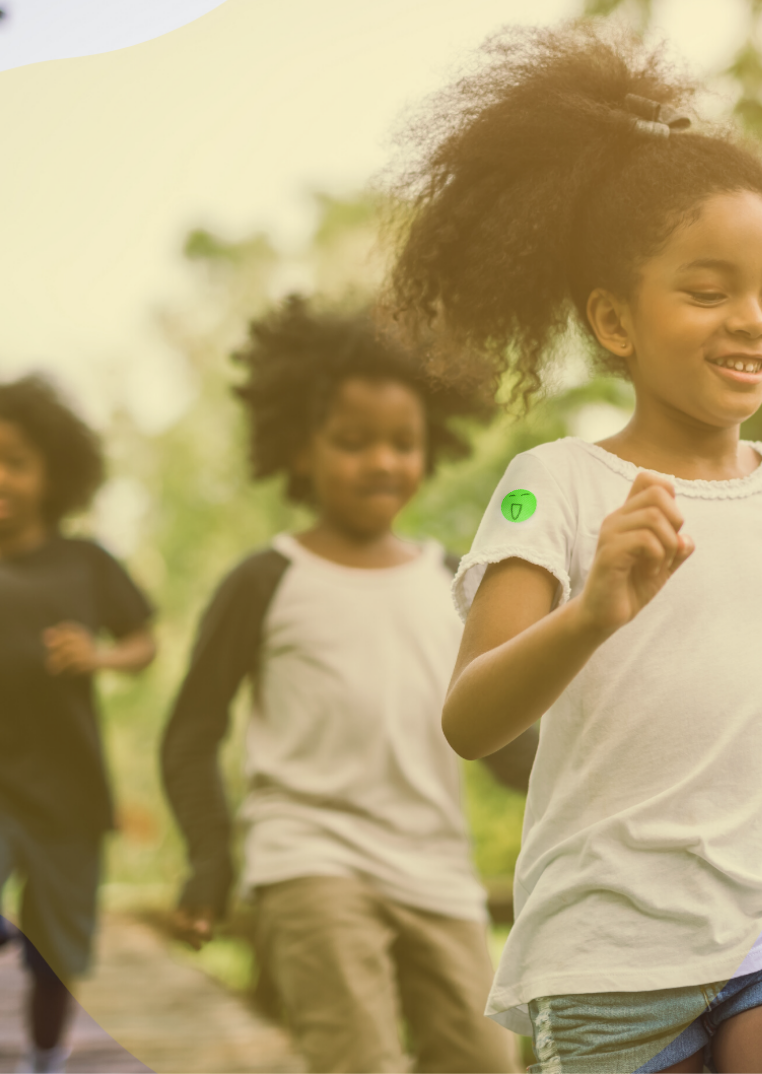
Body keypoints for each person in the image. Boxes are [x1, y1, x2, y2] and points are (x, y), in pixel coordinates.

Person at [385, 23, 762, 1074]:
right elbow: (472, 718)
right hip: (613, 949)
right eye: (708, 291)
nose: (752, 321)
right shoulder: (556, 487)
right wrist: (592, 612)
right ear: (615, 320)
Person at [160, 297, 529, 1074]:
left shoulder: (454, 581)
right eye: (353, 442)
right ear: (300, 449)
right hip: (310, 858)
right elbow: (191, 732)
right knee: (356, 1059)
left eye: (403, 443)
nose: (382, 462)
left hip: (436, 866)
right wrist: (209, 859)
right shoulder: (265, 580)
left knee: (489, 1061)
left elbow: (498, 740)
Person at [0, 375, 156, 1074]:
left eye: (15, 461)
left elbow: (145, 641)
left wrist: (99, 656)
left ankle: (43, 1057)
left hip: (67, 787)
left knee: (55, 951)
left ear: (54, 474)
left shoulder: (86, 562)